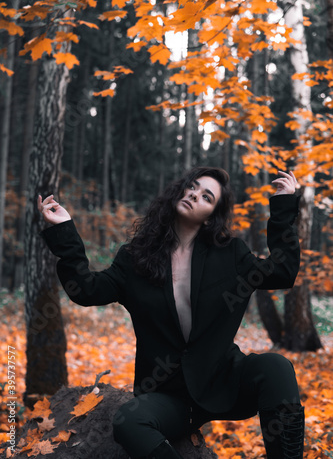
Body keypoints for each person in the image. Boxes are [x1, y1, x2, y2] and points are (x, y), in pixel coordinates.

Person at [38, 166, 304, 459]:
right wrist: (63, 231)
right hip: (170, 396)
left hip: (224, 381)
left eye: (206, 196)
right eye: (192, 186)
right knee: (129, 421)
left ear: (211, 215)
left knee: (276, 367)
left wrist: (283, 208)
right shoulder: (135, 258)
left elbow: (282, 272)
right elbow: (86, 290)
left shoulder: (232, 255)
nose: (194, 194)